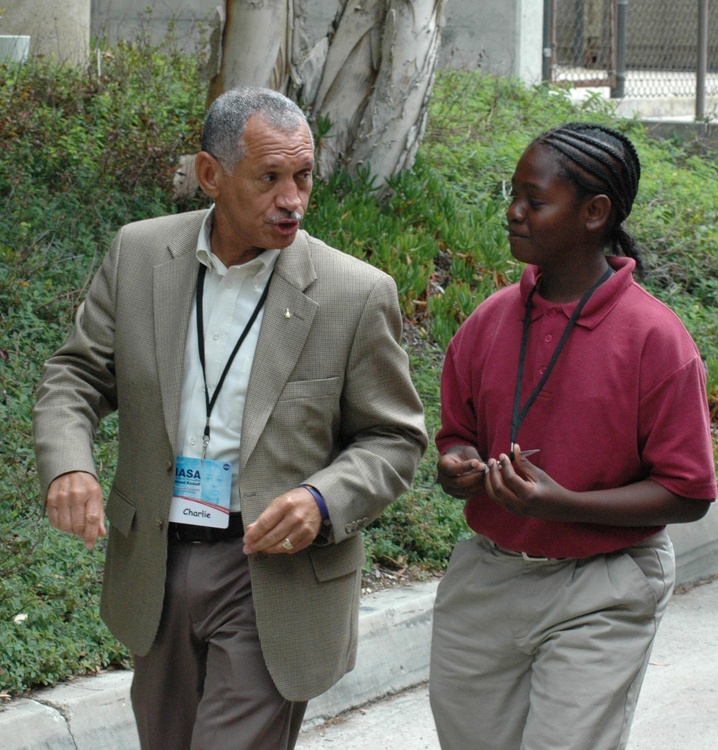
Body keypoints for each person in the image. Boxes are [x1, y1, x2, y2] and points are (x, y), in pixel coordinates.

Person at [32, 86, 427, 749]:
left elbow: (394, 438)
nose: (292, 199)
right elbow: (76, 374)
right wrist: (69, 464)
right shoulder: (139, 255)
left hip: (271, 572)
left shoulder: (353, 293)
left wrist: (322, 499)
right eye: (268, 178)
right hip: (156, 559)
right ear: (210, 175)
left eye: (302, 176)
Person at [430, 122, 718, 750]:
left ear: (594, 213)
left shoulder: (655, 339)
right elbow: (456, 435)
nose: (513, 212)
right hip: (489, 577)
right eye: (513, 194)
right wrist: (458, 463)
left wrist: (564, 505)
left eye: (535, 201)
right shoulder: (488, 320)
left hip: (604, 584)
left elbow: (689, 493)